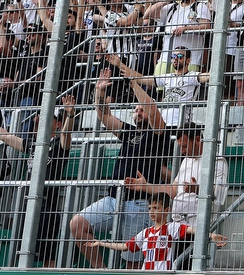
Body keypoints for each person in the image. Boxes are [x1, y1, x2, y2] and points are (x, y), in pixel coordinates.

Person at [70, 69, 172, 268]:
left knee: (131, 263)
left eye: (140, 109)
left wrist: (134, 83)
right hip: (114, 198)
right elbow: (105, 116)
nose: (138, 112)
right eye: (135, 110)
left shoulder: (159, 134)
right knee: (77, 224)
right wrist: (99, 93)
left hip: (139, 203)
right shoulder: (128, 131)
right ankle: (101, 271)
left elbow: (152, 109)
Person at [0, 95, 76, 266]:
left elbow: (66, 136)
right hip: (28, 203)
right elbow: (5, 136)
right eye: (39, 115)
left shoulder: (59, 145)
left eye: (48, 117)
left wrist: (70, 115)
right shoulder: (34, 144)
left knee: (47, 255)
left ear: (58, 123)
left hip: (47, 205)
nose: (38, 119)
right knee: (24, 251)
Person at [86, 193, 226, 271]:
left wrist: (211, 235)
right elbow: (125, 246)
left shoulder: (171, 227)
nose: (151, 211)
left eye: (156, 208)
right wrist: (100, 243)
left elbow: (192, 229)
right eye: (150, 208)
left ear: (166, 210)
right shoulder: (145, 233)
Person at [124, 122, 228, 225]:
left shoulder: (217, 161)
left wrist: (197, 189)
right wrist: (145, 186)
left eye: (185, 146)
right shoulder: (186, 160)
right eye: (180, 147)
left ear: (197, 140)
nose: (182, 151)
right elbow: (173, 190)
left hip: (199, 228)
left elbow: (219, 193)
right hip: (179, 227)